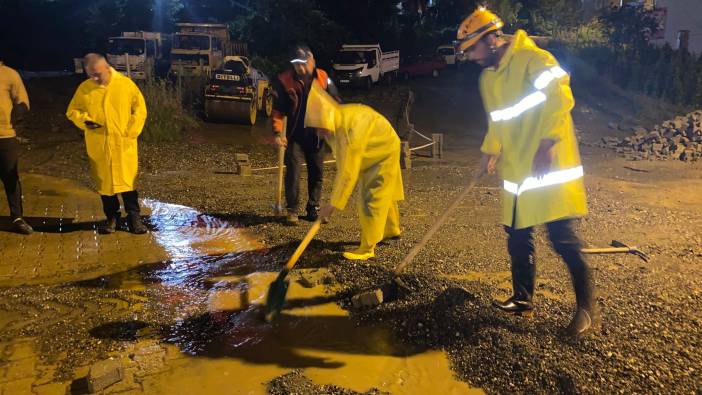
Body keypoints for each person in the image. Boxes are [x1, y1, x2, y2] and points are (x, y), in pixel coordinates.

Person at [456, 8, 597, 337]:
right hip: (517, 168)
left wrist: (547, 142)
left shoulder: (533, 59)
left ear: (492, 38)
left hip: (548, 165)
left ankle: (588, 311)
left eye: (472, 49)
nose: (470, 57)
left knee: (563, 239)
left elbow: (560, 97)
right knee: (517, 234)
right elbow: (498, 121)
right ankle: (523, 300)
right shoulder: (488, 78)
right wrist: (489, 152)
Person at [305, 82, 403, 261]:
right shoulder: (337, 120)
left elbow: (348, 172)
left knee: (371, 198)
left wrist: (331, 205)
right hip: (378, 146)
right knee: (383, 192)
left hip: (382, 150)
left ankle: (367, 248)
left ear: (324, 119)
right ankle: (392, 229)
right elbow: (345, 164)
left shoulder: (348, 130)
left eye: (318, 127)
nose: (318, 132)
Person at [66, 53, 148, 235]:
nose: (95, 78)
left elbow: (140, 108)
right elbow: (72, 111)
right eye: (90, 75)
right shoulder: (85, 88)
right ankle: (112, 218)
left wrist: (132, 130)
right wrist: (85, 121)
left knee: (128, 184)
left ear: (106, 67)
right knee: (105, 185)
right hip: (100, 145)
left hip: (123, 143)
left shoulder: (125, 85)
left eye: (97, 73)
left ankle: (134, 218)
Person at [271, 44, 340, 225]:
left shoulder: (324, 79)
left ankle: (313, 208)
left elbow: (336, 104)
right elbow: (278, 110)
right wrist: (278, 133)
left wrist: (331, 127)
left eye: (303, 63)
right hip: (295, 135)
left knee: (317, 172)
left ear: (311, 61)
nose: (299, 68)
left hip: (317, 136)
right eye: (296, 64)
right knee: (293, 171)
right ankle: (292, 210)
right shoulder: (285, 80)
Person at [0, 57, 33, 234]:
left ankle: (17, 217)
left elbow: (23, 100)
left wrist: (18, 112)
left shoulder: (9, 74)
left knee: (10, 178)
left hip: (4, 135)